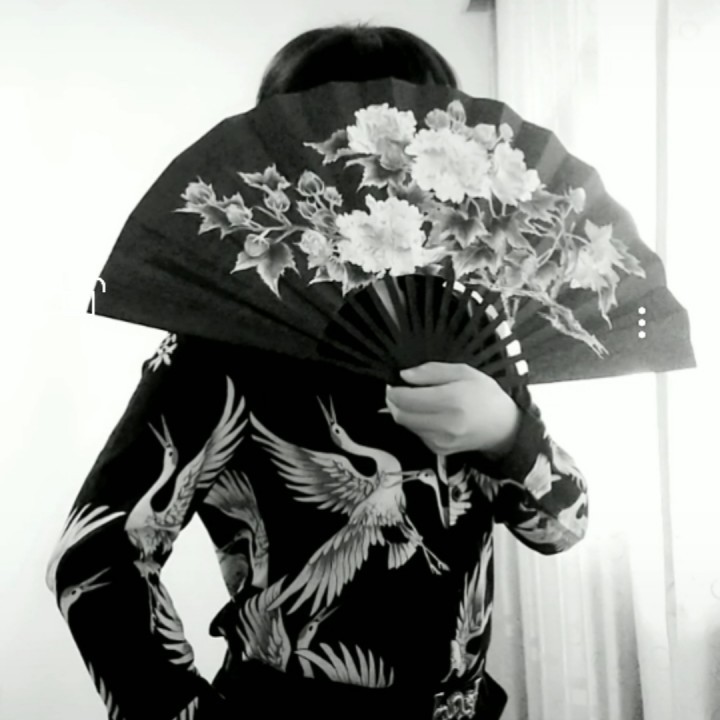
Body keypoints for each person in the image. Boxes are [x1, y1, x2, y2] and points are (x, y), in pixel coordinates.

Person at [46, 24, 588, 720]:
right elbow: (93, 557)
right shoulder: (221, 347)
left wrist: (510, 433)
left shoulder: (470, 336)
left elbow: (562, 529)